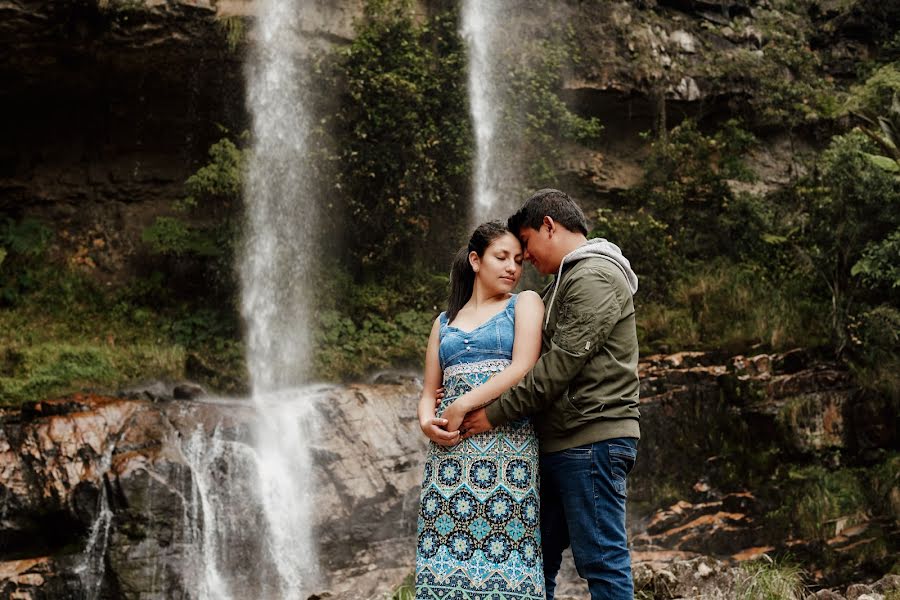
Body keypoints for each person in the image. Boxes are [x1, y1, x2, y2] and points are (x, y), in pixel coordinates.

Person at [460, 189, 641, 600]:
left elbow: (555, 370)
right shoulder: (565, 281)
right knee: (533, 561)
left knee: (601, 562)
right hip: (565, 442)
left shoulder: (593, 276)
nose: (523, 259)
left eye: (524, 245)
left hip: (591, 438)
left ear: (548, 226)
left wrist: (489, 415)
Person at [415, 221, 546, 599]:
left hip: (508, 453)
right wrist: (427, 422)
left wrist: (462, 404)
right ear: (476, 260)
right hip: (448, 458)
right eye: (501, 257)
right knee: (446, 557)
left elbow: (522, 367)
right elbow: (427, 392)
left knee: (507, 556)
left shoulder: (525, 303)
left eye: (519, 261)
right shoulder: (443, 323)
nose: (513, 268)